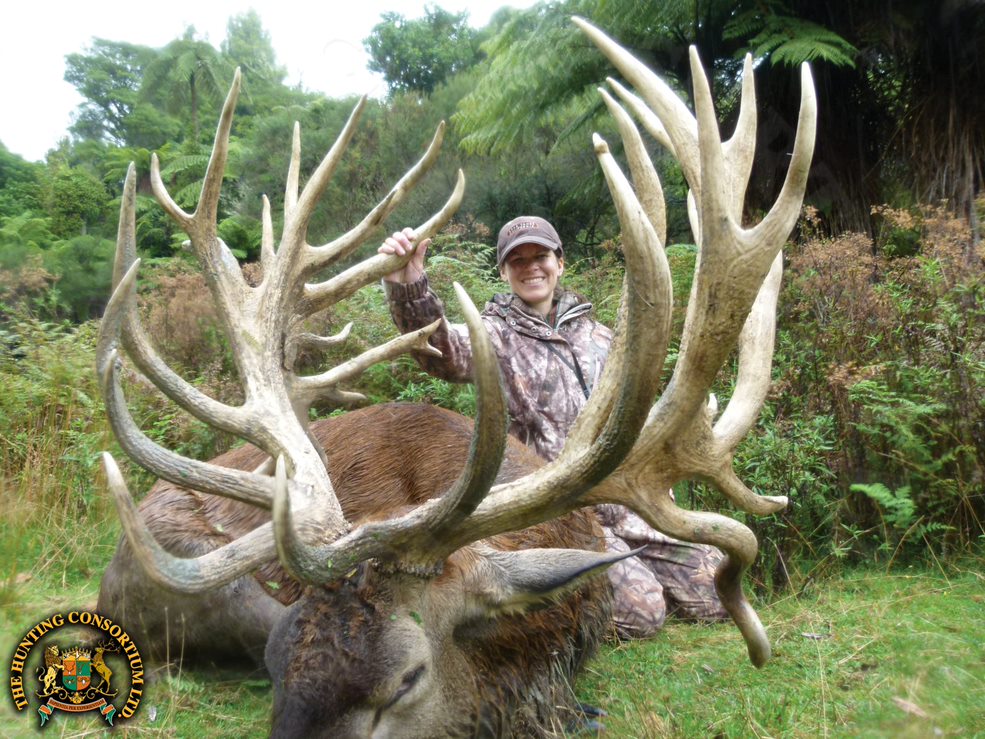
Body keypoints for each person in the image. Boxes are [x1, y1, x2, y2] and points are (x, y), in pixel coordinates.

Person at [379, 217, 727, 637]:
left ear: (560, 262)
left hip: (629, 502)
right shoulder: (494, 337)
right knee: (644, 615)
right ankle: (617, 592)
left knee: (719, 590)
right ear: (504, 272)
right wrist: (408, 283)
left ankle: (639, 577)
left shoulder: (602, 337)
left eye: (540, 256)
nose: (531, 268)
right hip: (563, 513)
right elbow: (442, 352)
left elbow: (637, 411)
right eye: (517, 260)